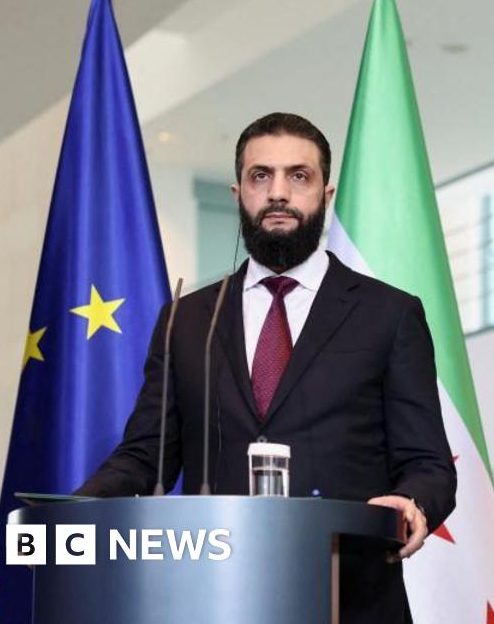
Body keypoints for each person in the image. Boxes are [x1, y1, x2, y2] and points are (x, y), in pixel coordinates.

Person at [77, 112, 456, 623]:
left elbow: (429, 463)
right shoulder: (187, 319)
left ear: (326, 194)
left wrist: (413, 501)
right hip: (216, 598)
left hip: (352, 597)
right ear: (239, 193)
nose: (278, 192)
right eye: (261, 176)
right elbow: (146, 455)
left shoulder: (389, 314)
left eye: (298, 176)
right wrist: (76, 509)